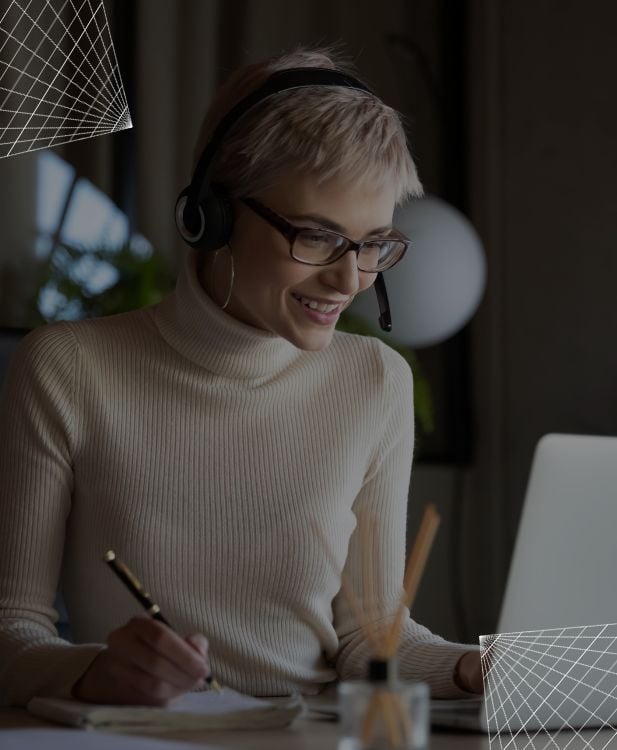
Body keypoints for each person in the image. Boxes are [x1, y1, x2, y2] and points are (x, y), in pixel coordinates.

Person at [0, 46, 483, 708]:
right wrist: (94, 674)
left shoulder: (375, 382)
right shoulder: (68, 369)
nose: (349, 280)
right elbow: (11, 630)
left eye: (372, 244)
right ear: (212, 215)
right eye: (316, 237)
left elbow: (371, 640)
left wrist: (474, 667)